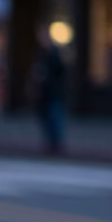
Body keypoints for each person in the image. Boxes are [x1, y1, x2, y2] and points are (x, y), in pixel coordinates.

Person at [33, 27, 67, 155]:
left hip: (54, 91)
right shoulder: (41, 53)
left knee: (55, 116)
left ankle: (56, 143)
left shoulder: (54, 52)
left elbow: (60, 71)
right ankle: (49, 141)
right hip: (43, 92)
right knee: (45, 118)